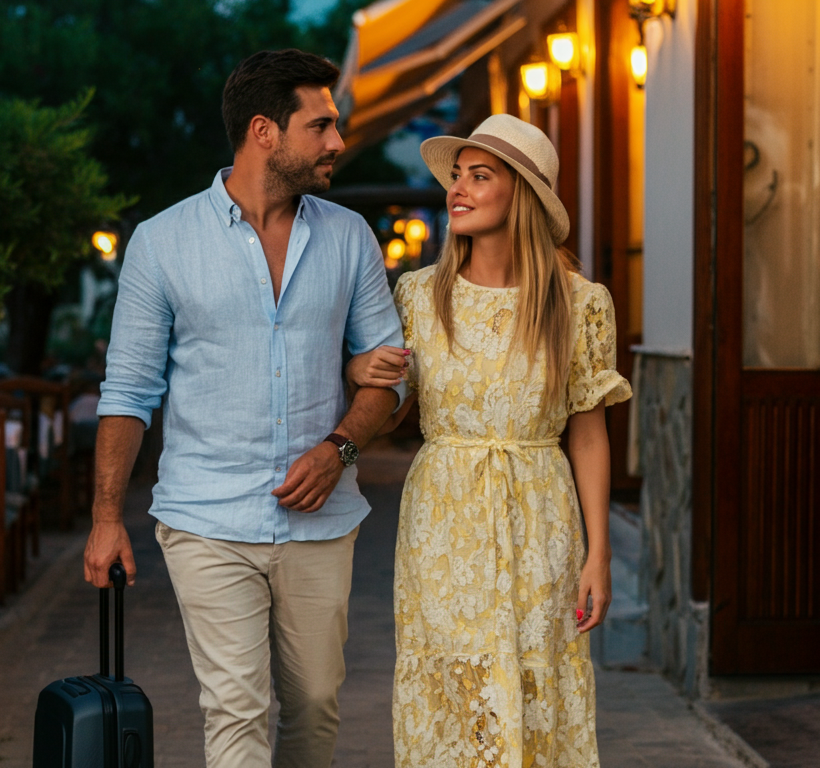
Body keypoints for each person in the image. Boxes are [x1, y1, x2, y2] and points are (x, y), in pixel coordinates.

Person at [84, 49, 404, 768]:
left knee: (316, 705)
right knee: (235, 709)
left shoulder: (350, 238)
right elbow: (129, 392)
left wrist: (339, 449)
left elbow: (390, 378)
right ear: (264, 131)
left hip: (321, 523)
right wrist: (106, 520)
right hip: (206, 519)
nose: (337, 142)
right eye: (320, 125)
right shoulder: (162, 244)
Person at [347, 114, 631, 768]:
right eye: (457, 176)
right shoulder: (417, 295)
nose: (459, 189)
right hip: (443, 522)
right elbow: (391, 415)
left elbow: (588, 434)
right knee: (455, 686)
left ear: (523, 194)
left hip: (542, 515)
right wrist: (362, 374)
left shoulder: (578, 302)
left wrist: (599, 554)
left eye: (481, 176)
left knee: (536, 682)